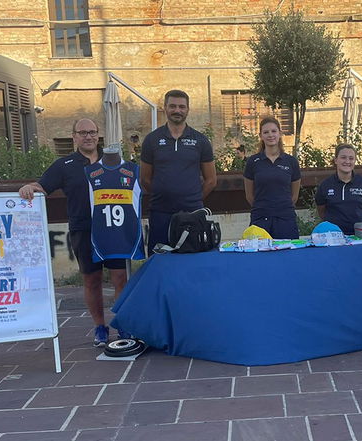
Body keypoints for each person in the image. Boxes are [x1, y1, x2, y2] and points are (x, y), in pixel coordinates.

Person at [18, 119, 128, 347]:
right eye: (83, 133)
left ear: (98, 136)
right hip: (83, 230)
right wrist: (29, 187)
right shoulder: (65, 164)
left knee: (120, 278)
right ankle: (100, 327)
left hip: (113, 228)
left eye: (92, 132)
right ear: (74, 137)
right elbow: (42, 186)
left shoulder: (114, 161)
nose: (88, 136)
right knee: (92, 279)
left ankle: (124, 324)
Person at [140, 90, 217, 253]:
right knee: (159, 261)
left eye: (182, 107)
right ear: (165, 108)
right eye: (173, 106)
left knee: (192, 262)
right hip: (160, 213)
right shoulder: (151, 140)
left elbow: (211, 180)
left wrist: (192, 198)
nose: (177, 110)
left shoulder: (200, 140)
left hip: (193, 214)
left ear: (188, 109)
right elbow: (145, 179)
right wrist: (163, 195)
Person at [243, 116, 301, 239]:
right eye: (266, 132)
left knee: (287, 256)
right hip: (260, 219)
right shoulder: (253, 162)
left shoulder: (291, 162)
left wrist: (280, 208)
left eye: (274, 131)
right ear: (261, 136)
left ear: (280, 133)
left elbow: (294, 196)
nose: (270, 135)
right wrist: (264, 208)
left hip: (285, 219)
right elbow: (249, 196)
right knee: (261, 257)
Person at [315, 144, 362, 235]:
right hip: (333, 236)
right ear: (336, 160)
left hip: (359, 236)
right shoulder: (325, 185)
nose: (347, 161)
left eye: (351, 158)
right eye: (343, 157)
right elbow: (321, 211)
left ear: (355, 161)